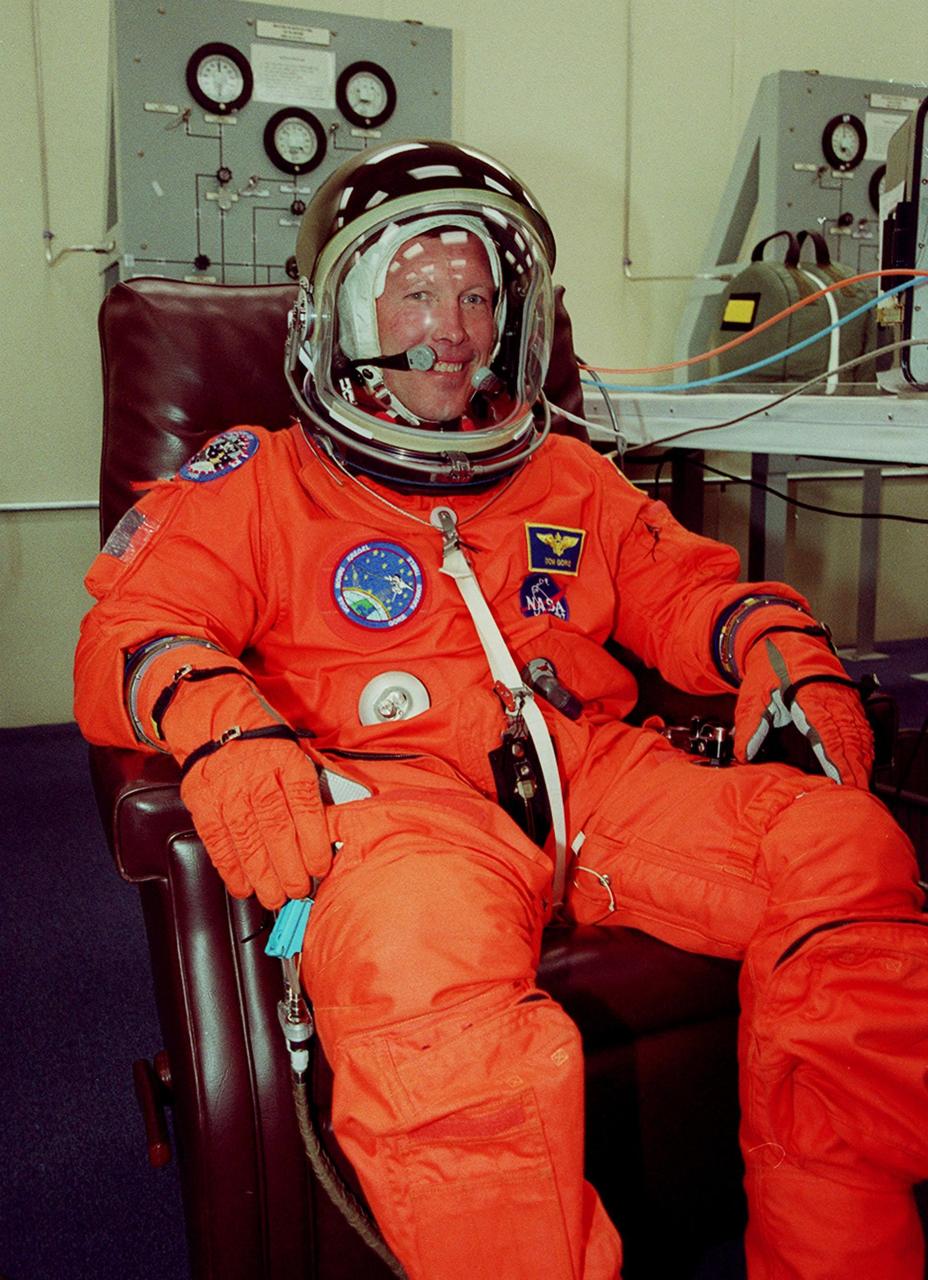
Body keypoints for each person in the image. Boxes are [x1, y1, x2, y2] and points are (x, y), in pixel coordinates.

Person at [74, 139, 928, 1280]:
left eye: (475, 293)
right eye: (418, 290)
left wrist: (772, 642)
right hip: (397, 804)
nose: (456, 326)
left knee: (843, 849)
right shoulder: (261, 480)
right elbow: (135, 624)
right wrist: (222, 720)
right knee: (427, 979)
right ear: (338, 314)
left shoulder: (566, 476)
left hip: (595, 775)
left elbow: (682, 584)